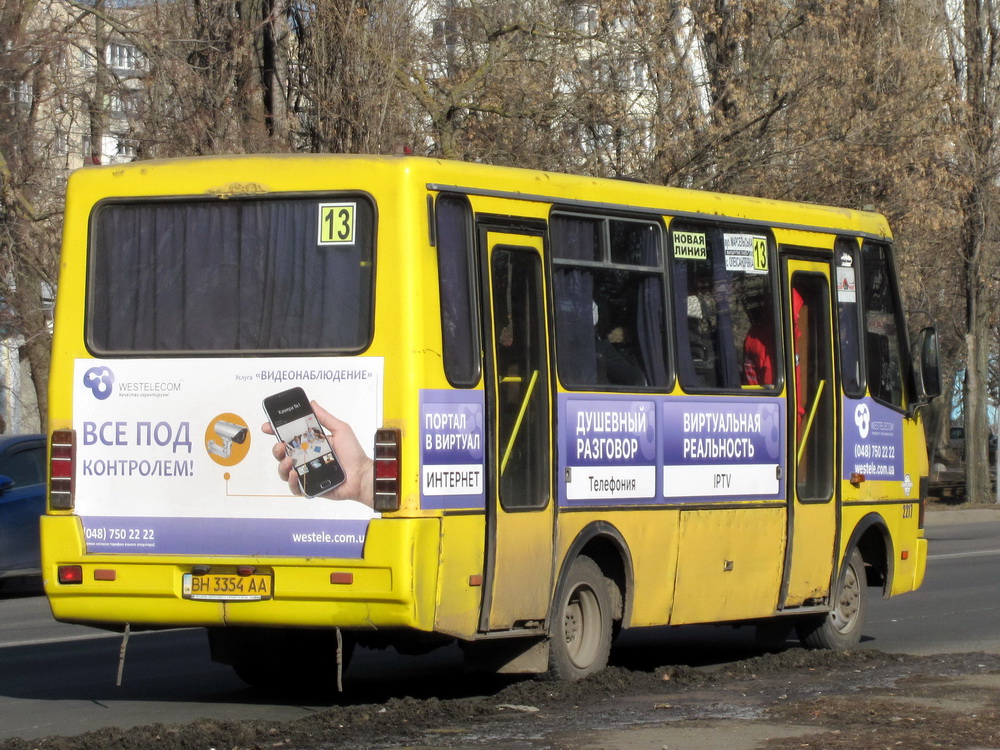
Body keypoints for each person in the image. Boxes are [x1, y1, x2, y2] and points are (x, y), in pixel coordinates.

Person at [262, 400, 375, 508]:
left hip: (314, 450)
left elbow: (313, 439)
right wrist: (363, 482)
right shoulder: (297, 442)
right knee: (293, 458)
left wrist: (363, 479)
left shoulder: (310, 434)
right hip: (305, 452)